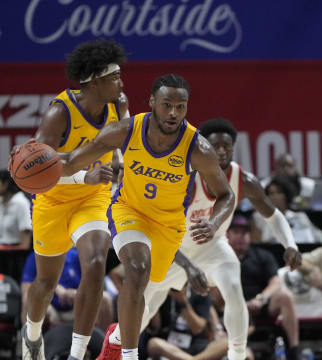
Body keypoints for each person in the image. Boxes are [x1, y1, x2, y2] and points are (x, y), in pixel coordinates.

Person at [52, 74, 236, 360]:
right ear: (152, 102)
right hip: (129, 210)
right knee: (136, 269)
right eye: (166, 105)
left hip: (169, 224)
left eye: (180, 106)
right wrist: (40, 161)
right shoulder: (125, 130)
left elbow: (227, 195)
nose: (173, 113)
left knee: (147, 287)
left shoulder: (197, 148)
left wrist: (213, 223)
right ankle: (129, 355)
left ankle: (114, 341)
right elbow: (73, 160)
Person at [131, 117, 302, 360]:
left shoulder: (243, 180)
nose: (221, 151)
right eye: (215, 146)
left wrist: (291, 245)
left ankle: (237, 354)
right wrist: (189, 268)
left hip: (213, 247)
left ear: (233, 147)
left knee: (233, 287)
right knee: (144, 306)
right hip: (173, 248)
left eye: (227, 146)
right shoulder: (185, 179)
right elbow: (160, 231)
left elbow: (273, 216)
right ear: (204, 147)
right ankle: (117, 349)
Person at [12, 39, 129, 360]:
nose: (121, 82)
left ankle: (77, 354)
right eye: (114, 77)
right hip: (52, 200)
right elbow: (38, 170)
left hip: (92, 199)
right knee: (46, 284)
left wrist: (117, 162)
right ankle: (32, 333)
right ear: (94, 80)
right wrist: (82, 175)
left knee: (94, 265)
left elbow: (125, 139)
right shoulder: (58, 114)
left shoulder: (118, 104)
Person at [227, 214, 301, 360]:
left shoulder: (262, 255)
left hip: (259, 305)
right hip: (229, 307)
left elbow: (276, 281)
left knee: (285, 295)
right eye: (236, 232)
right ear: (227, 235)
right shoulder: (221, 257)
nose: (241, 237)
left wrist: (261, 299)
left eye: (245, 233)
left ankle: (294, 351)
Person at [21, 248, 115, 332]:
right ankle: (30, 345)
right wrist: (55, 289)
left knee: (105, 298)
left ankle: (102, 346)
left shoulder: (76, 255)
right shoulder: (35, 257)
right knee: (28, 299)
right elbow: (26, 290)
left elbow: (95, 287)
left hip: (77, 305)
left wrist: (76, 294)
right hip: (49, 307)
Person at [251, 177, 322, 244]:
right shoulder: (258, 217)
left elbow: (320, 238)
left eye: (279, 192)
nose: (274, 197)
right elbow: (256, 244)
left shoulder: (300, 217)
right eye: (271, 193)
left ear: (286, 195)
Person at [0, 169, 32, 248]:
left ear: (5, 183)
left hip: (14, 254)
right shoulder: (1, 201)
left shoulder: (21, 203)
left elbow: (25, 244)